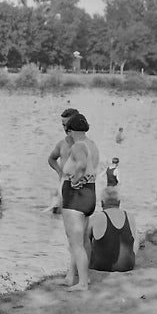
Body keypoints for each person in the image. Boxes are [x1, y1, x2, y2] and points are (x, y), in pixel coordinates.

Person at [60, 113, 102, 291]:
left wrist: (76, 178)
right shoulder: (92, 144)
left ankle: (82, 283)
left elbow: (82, 164)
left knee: (75, 243)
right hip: (90, 193)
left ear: (70, 130)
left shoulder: (78, 146)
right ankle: (83, 279)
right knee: (83, 240)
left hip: (75, 196)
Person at [87, 186, 136, 273]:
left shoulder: (96, 217)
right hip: (127, 266)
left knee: (84, 240)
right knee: (135, 235)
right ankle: (130, 259)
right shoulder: (130, 216)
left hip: (101, 266)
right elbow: (135, 241)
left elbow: (84, 242)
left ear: (102, 203)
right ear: (119, 202)